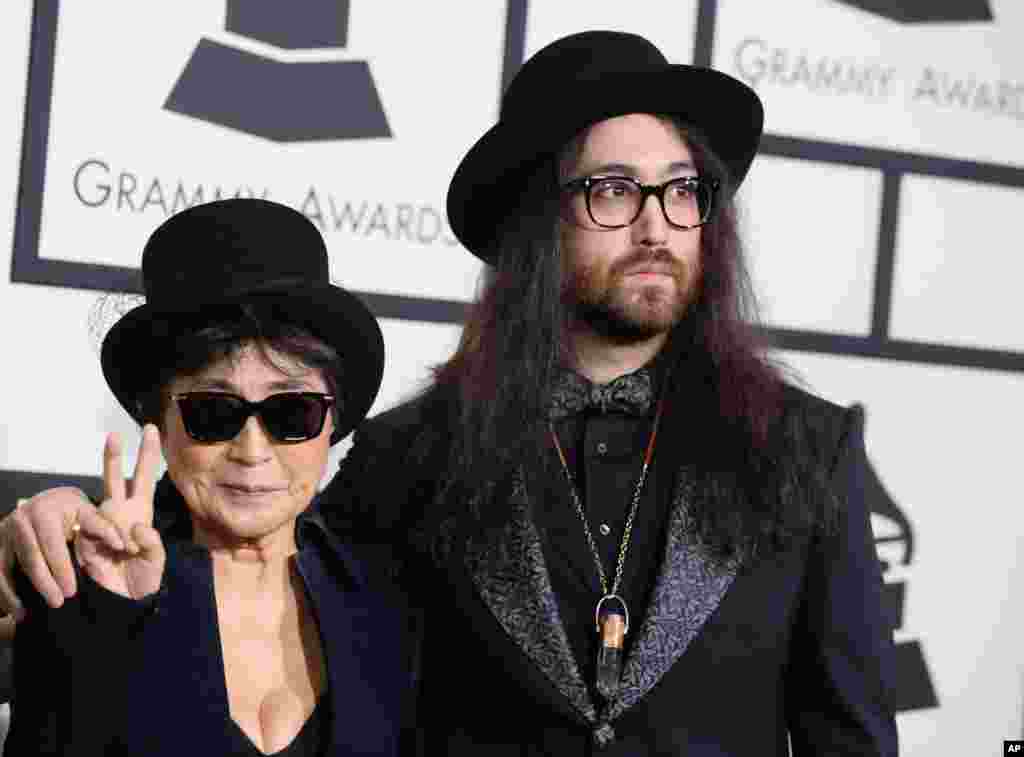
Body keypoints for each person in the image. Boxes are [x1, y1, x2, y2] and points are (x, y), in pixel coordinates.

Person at [0, 31, 896, 755]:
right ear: (535, 222)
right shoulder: (411, 454)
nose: (658, 222)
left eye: (683, 190)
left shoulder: (809, 450)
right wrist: (53, 534)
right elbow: (248, 518)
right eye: (616, 191)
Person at [2, 199, 414, 756]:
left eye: (292, 413)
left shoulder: (391, 596)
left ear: (331, 421)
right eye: (214, 414)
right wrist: (106, 625)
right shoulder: (77, 584)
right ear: (159, 424)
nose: (252, 450)